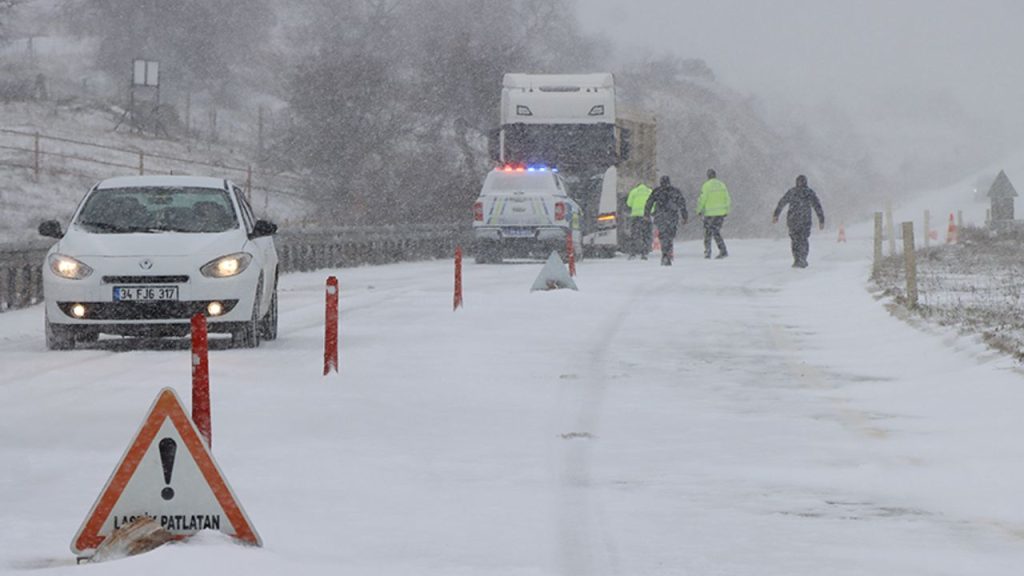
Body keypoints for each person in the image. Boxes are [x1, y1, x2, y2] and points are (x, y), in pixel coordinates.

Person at [773, 174, 825, 268]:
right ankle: (802, 259)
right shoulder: (809, 193)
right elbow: (817, 206)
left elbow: (782, 202)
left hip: (793, 220)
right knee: (803, 240)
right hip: (805, 220)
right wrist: (821, 220)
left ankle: (797, 259)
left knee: (795, 241)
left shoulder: (792, 192)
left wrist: (776, 214)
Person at [644, 175, 688, 266]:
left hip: (660, 216)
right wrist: (684, 216)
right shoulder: (675, 191)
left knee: (663, 236)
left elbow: (649, 202)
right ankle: (668, 253)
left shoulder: (657, 191)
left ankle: (665, 254)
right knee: (670, 235)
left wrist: (646, 214)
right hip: (672, 216)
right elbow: (682, 204)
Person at [697, 169, 731, 259]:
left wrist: (699, 210)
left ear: (708, 176)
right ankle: (722, 250)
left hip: (709, 214)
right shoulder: (722, 185)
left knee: (708, 233)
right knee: (716, 232)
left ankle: (708, 251)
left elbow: (702, 199)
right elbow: (727, 198)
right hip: (720, 213)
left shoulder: (706, 185)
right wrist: (727, 210)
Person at [625, 181, 654, 259]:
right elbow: (654, 204)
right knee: (646, 235)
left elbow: (629, 203)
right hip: (646, 216)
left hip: (636, 216)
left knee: (634, 234)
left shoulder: (634, 191)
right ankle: (644, 253)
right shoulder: (650, 191)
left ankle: (633, 253)